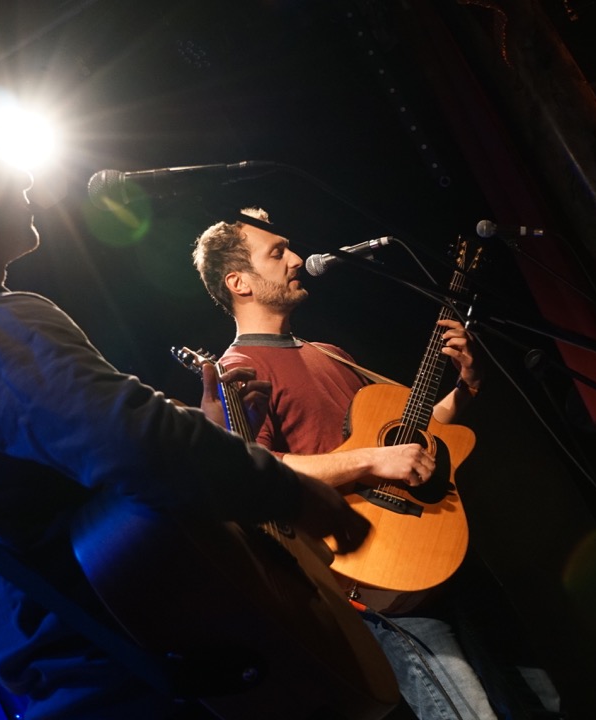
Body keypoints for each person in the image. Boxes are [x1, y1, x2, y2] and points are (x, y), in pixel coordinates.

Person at [0, 82, 371, 719]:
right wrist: (292, 493)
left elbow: (78, 483)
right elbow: (136, 442)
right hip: (151, 685)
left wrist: (211, 429)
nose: (20, 172)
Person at [192, 209, 497, 720]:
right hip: (376, 575)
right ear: (238, 282)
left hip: (437, 548)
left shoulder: (329, 352)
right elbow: (258, 471)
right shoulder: (239, 369)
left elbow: (407, 439)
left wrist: (467, 387)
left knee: (540, 701)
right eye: (277, 252)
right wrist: (375, 459)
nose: (296, 259)